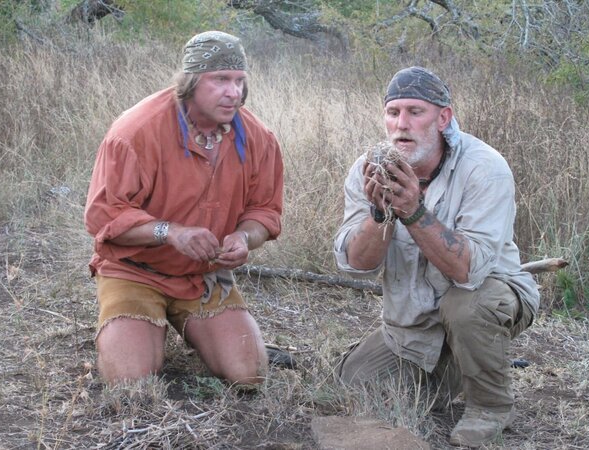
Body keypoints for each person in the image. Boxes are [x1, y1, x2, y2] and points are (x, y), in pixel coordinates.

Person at [333, 66, 539, 447]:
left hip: (488, 296)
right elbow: (356, 264)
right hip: (415, 321)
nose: (402, 124)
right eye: (393, 112)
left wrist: (412, 211)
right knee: (350, 387)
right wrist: (380, 216)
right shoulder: (367, 170)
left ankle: (491, 406)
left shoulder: (484, 167)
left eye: (416, 111)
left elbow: (469, 271)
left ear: (443, 118)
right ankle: (456, 369)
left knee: (467, 306)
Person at [84, 31, 284, 387]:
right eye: (220, 80)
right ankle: (133, 328)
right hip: (135, 270)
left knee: (249, 374)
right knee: (132, 382)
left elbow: (264, 211)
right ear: (190, 82)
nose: (233, 92)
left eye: (239, 81)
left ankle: (197, 330)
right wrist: (170, 232)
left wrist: (243, 237)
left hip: (203, 275)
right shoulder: (136, 132)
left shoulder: (258, 137)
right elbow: (103, 217)